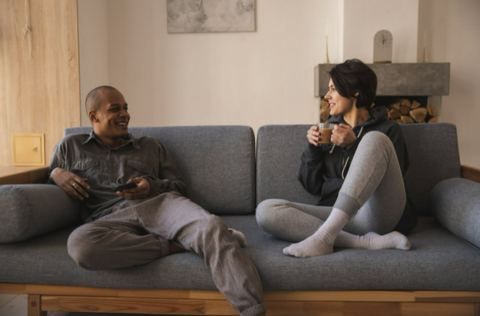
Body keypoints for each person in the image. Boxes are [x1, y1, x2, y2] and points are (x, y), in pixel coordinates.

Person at [48, 86, 266, 316]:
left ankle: (252, 312)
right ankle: (180, 244)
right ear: (94, 116)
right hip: (109, 219)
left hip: (162, 206)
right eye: (115, 109)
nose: (125, 114)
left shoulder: (150, 145)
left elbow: (179, 187)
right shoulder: (70, 146)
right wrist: (55, 174)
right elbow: (48, 180)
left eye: (126, 108)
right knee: (80, 245)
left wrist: (152, 185)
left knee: (211, 225)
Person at [256, 59, 418, 258]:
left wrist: (354, 146)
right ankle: (362, 242)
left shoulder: (387, 129)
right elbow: (312, 186)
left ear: (354, 90)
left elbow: (392, 182)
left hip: (377, 213)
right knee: (266, 211)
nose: (326, 96)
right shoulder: (327, 129)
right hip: (337, 216)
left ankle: (324, 238)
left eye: (333, 88)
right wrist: (312, 148)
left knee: (375, 139)